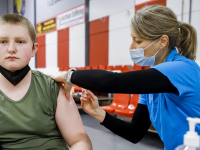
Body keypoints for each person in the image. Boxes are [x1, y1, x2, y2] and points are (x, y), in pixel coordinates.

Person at [51, 5, 200, 150]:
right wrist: (97, 111)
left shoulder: (182, 69)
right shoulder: (154, 81)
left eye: (138, 41)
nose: (131, 47)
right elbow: (135, 132)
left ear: (162, 41)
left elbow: (110, 82)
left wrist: (69, 75)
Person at [0, 14, 92, 150]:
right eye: (2, 41)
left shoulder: (52, 87)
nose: (11, 49)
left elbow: (79, 141)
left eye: (20, 42)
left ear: (34, 49)